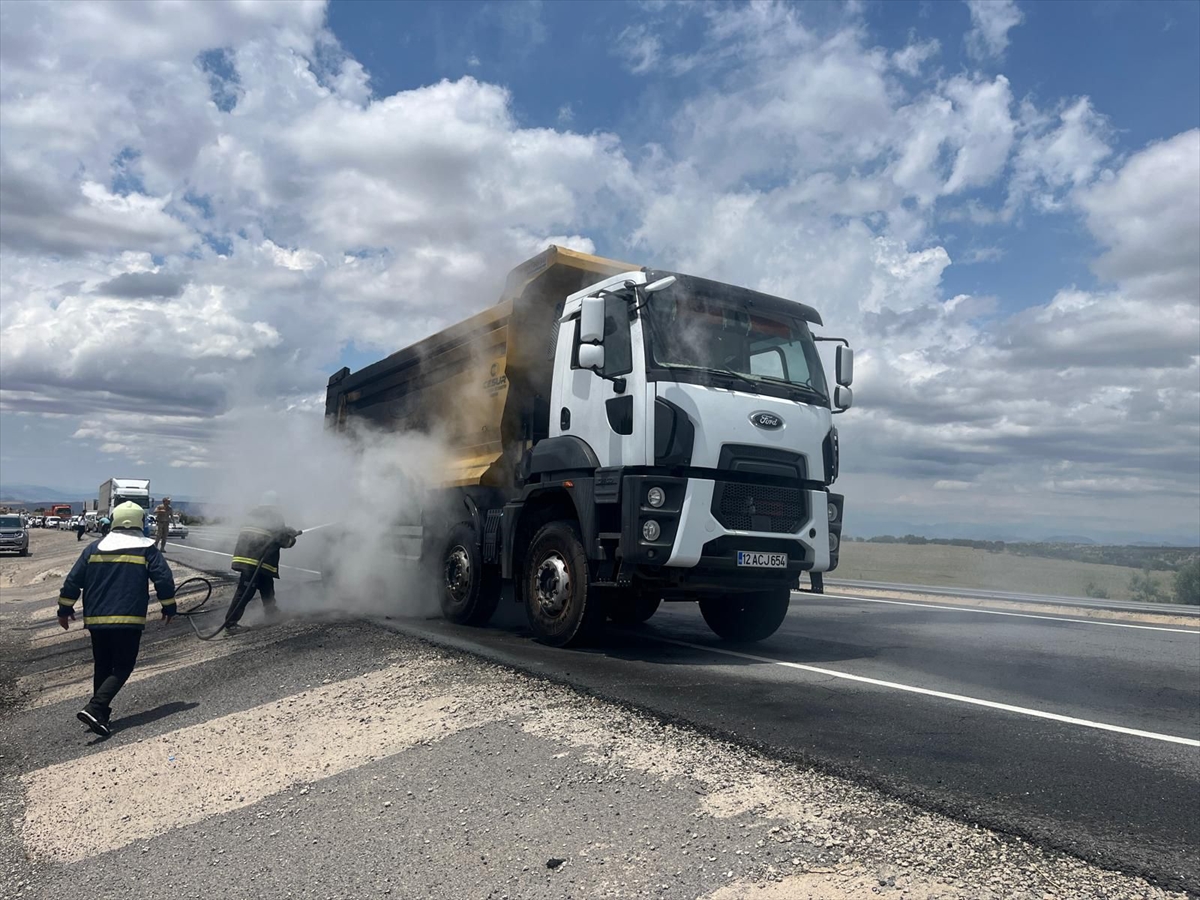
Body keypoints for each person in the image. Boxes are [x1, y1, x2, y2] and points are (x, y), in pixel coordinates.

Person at [57, 501, 176, 737]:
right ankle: (96, 707)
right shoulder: (146, 549)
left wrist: (64, 609)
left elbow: (73, 581)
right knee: (123, 665)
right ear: (140, 523)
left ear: (114, 521)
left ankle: (100, 715)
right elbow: (163, 578)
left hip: (96, 619)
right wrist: (169, 607)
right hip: (128, 618)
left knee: (103, 664)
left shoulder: (94, 548)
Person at [224, 491, 300, 633]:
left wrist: (286, 531)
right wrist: (291, 537)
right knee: (246, 590)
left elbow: (270, 534)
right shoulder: (275, 516)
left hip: (247, 557)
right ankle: (231, 623)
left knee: (267, 587)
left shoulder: (253, 514)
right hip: (255, 560)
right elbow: (282, 540)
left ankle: (272, 614)